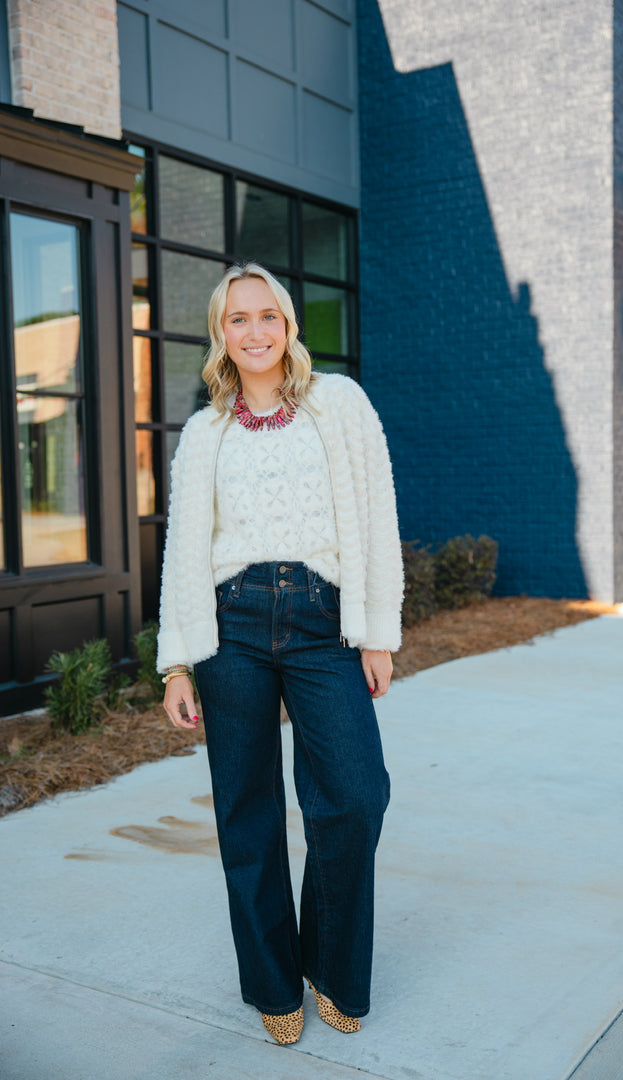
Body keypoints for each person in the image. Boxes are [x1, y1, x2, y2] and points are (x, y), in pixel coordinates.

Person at [157, 262, 403, 1045]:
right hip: (230, 627)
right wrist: (176, 662)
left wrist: (378, 635)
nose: (255, 331)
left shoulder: (339, 404)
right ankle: (273, 982)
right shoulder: (204, 433)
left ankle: (331, 966)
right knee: (247, 812)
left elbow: (377, 513)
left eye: (268, 316)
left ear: (289, 324)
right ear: (220, 334)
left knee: (357, 795)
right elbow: (184, 550)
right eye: (238, 319)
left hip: (322, 622)